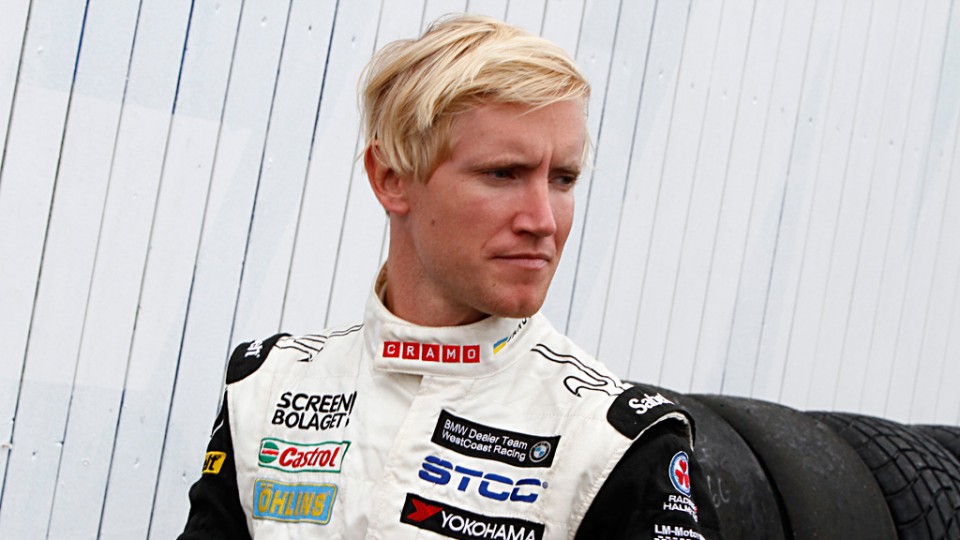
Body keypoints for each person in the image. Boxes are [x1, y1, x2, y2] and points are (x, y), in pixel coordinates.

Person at [180, 14, 718, 540]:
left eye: (563, 179)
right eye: (503, 173)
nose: (543, 221)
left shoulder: (615, 441)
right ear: (391, 178)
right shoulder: (268, 387)